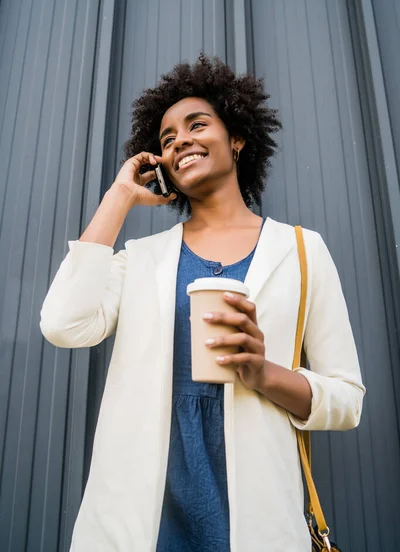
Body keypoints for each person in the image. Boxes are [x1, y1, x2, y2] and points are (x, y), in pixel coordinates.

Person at [40, 54, 365, 552]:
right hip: (141, 522)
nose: (180, 141)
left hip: (257, 523)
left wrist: (264, 373)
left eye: (197, 125)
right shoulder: (141, 258)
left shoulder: (302, 251)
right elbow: (63, 324)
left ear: (236, 137)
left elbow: (347, 400)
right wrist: (119, 198)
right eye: (167, 139)